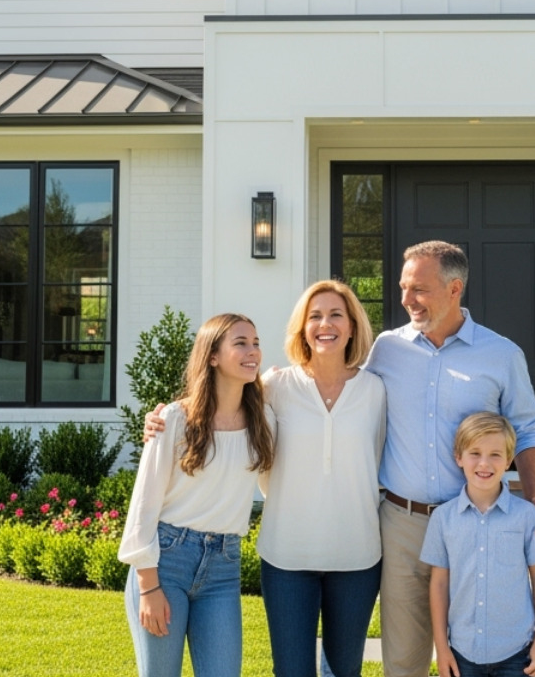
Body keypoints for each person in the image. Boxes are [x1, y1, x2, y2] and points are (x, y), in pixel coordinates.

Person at [144, 281, 389, 677]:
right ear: (302, 328)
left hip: (357, 556)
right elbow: (216, 406)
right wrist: (163, 419)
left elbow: (376, 461)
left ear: (353, 326)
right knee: (291, 671)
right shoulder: (274, 386)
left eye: (336, 315)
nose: (325, 324)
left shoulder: (375, 390)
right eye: (314, 316)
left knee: (345, 671)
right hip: (287, 556)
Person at [366, 241, 535, 677]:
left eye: (419, 289)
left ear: (455, 289)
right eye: (403, 288)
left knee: (480, 653)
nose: (406, 299)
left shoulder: (501, 354)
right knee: (404, 659)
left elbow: (526, 429)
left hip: (478, 522)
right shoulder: (386, 349)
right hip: (404, 522)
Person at [120, 312, 275, 677]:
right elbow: (144, 504)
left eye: (255, 343)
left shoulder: (264, 420)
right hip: (166, 562)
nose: (253, 351)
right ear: (213, 355)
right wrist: (148, 587)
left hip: (223, 566)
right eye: (240, 343)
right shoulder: (175, 419)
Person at [422, 412, 535, 677]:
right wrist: (441, 648)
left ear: (509, 461)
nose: (484, 463)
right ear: (459, 457)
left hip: (517, 653)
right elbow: (439, 584)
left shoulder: (526, 516)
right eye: (475, 453)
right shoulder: (443, 519)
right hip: (462, 653)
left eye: (495, 454)